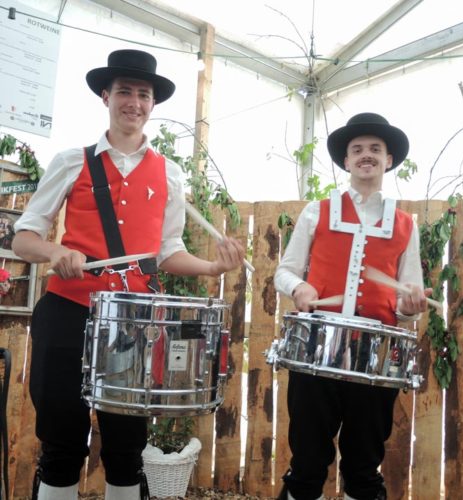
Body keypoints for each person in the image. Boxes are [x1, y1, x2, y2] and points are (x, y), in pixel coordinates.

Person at [12, 49, 245, 500]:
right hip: (66, 312)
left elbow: (168, 252)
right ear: (106, 96)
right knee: (61, 444)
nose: (133, 102)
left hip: (134, 324)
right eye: (124, 91)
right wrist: (57, 249)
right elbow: (24, 238)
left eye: (143, 94)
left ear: (152, 105)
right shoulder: (71, 161)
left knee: (126, 448)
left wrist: (215, 266)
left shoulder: (170, 175)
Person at [274, 112, 432, 500]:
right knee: (308, 462)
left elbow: (406, 301)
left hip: (375, 358)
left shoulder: (406, 224)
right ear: (345, 161)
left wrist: (411, 305)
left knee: (363, 467)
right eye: (357, 149)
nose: (366, 155)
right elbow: (285, 271)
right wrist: (300, 290)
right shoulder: (316, 211)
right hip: (318, 352)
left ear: (388, 160)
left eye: (375, 149)